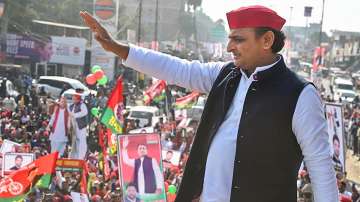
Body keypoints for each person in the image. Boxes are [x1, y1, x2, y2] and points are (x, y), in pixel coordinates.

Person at [80, 5, 338, 202]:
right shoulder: (226, 74)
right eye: (230, 38)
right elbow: (176, 68)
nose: (229, 47)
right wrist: (118, 48)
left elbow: (320, 166)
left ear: (267, 41)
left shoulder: (300, 94)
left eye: (238, 39)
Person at [68, 91, 88, 159]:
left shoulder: (82, 105)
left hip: (81, 126)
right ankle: (75, 157)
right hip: (74, 127)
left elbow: (84, 112)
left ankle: (81, 157)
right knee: (76, 142)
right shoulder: (71, 106)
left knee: (82, 141)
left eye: (75, 98)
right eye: (73, 98)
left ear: (78, 99)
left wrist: (75, 115)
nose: (73, 100)